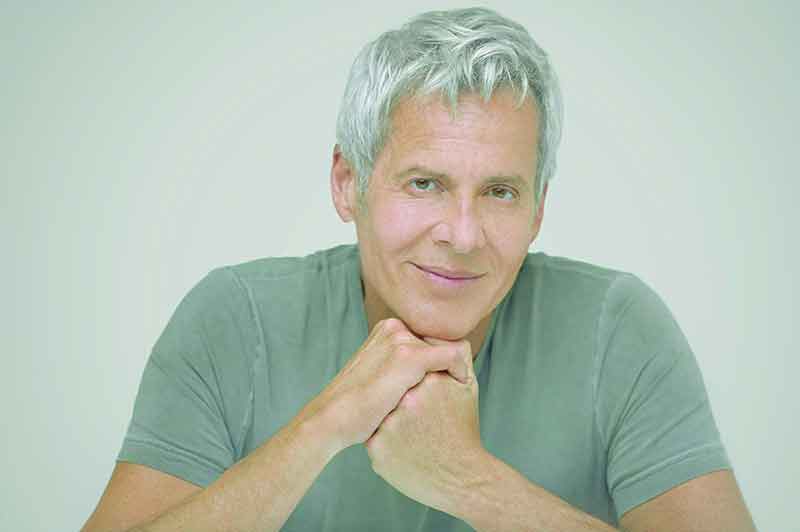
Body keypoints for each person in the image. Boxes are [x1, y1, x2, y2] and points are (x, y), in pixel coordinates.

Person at [82, 7, 757, 532]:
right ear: (348, 183)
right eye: (425, 184)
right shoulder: (235, 319)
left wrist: (466, 478)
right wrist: (325, 426)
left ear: (539, 210)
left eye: (500, 192)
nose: (462, 236)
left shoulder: (618, 328)